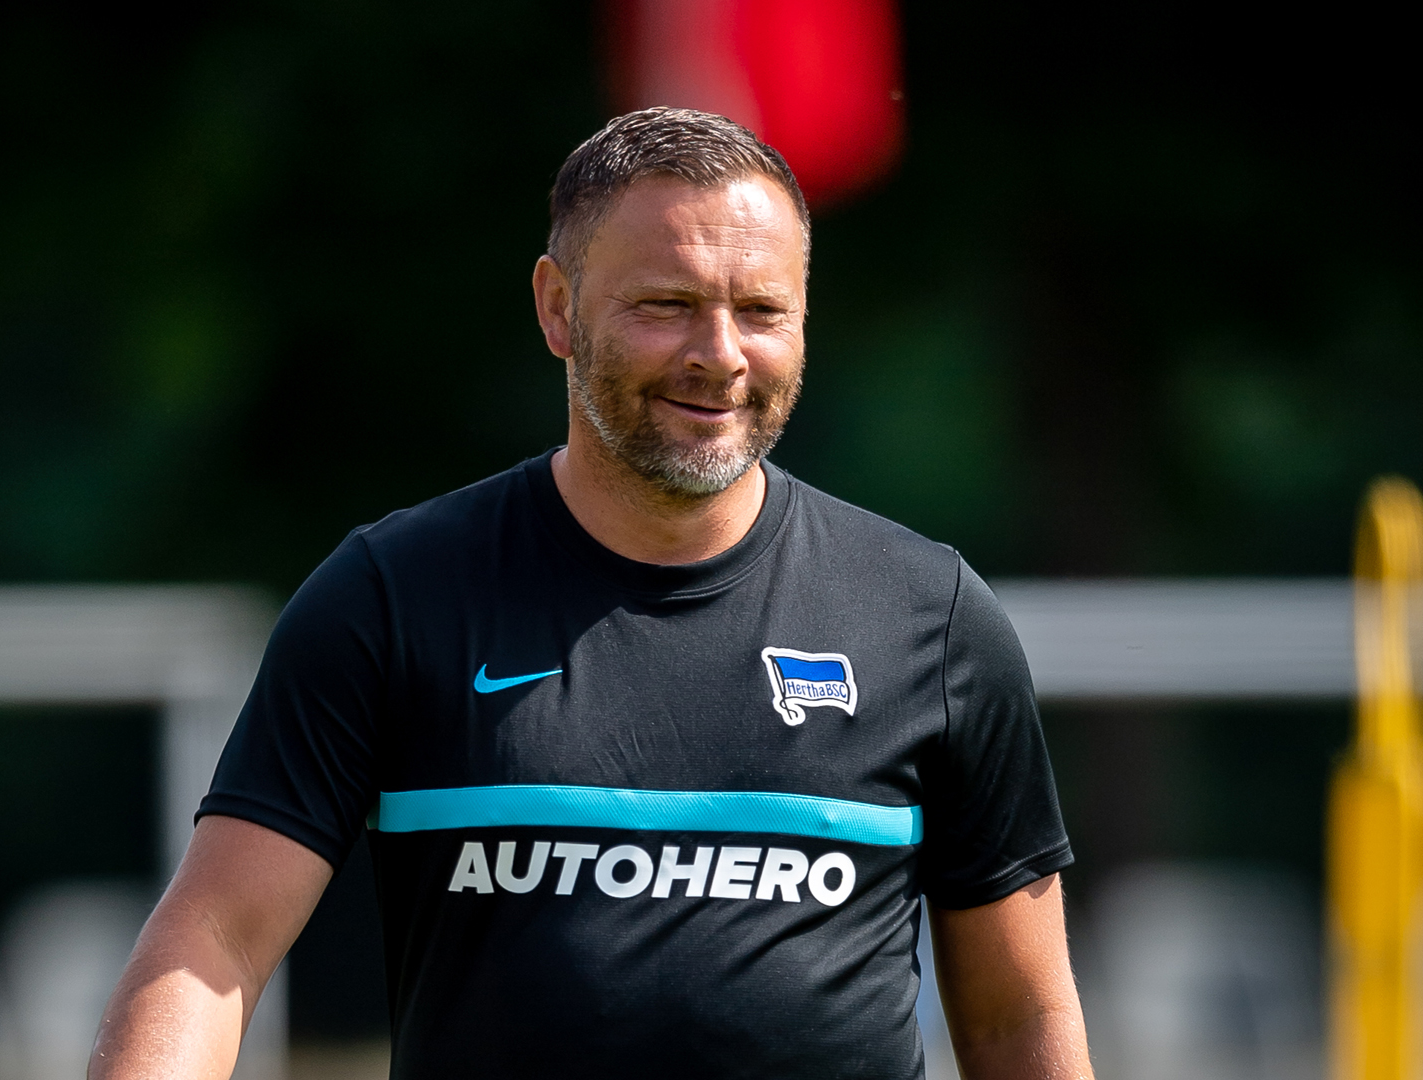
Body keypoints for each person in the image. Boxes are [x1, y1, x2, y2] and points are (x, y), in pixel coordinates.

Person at [91, 107, 1093, 1080]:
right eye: (667, 305)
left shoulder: (931, 618)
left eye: (761, 310)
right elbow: (214, 944)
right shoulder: (393, 595)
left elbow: (1021, 1015)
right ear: (558, 308)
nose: (720, 354)